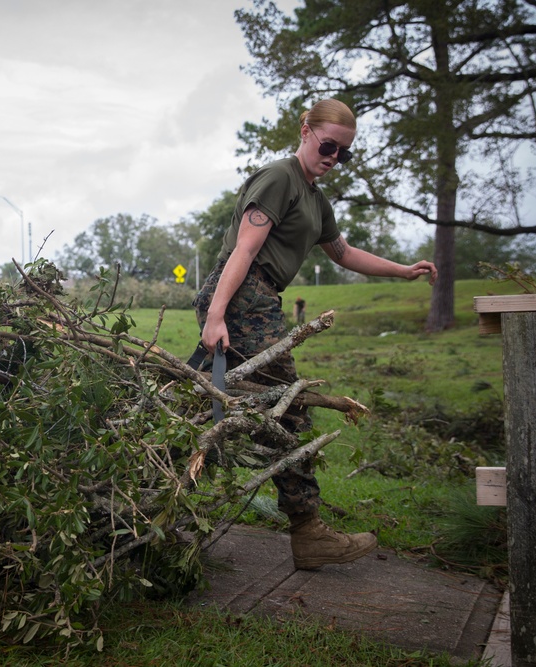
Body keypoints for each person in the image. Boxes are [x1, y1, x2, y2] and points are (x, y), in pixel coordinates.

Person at [193, 98, 437, 570]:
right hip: (244, 295)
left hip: (259, 301)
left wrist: (403, 271)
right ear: (305, 131)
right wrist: (216, 315)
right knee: (291, 411)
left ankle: (171, 475)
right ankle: (308, 532)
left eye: (343, 153)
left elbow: (342, 254)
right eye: (328, 146)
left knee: (218, 399)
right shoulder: (280, 178)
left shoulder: (315, 199)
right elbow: (244, 249)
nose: (333, 159)